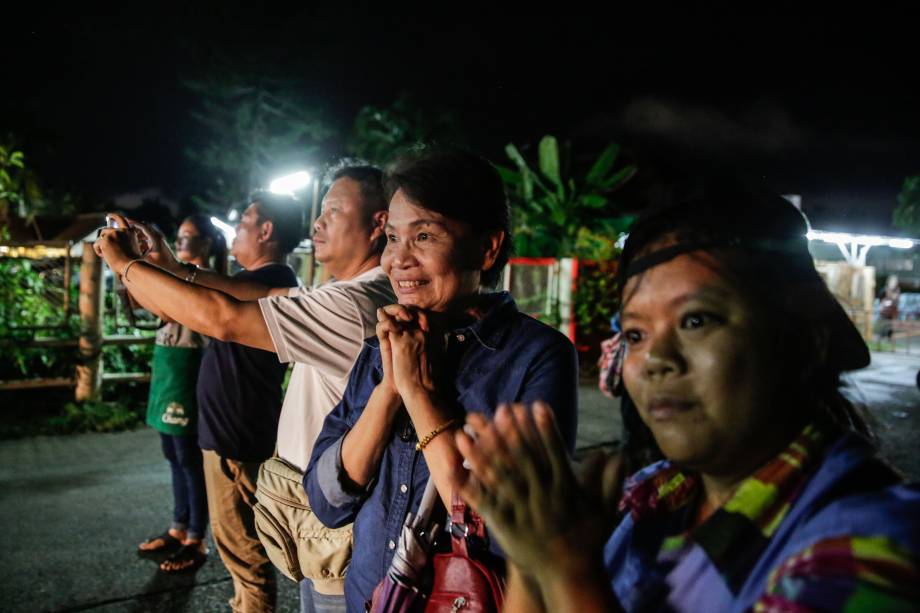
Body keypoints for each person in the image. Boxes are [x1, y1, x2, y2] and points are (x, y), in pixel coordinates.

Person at [454, 176, 920, 612]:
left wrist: (567, 570)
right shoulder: (654, 495)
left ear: (804, 338)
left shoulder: (872, 550)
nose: (657, 359)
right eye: (636, 335)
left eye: (696, 320)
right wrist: (529, 553)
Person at [96, 164, 394, 612]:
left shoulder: (356, 305)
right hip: (324, 518)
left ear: (379, 224)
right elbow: (252, 297)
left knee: (255, 565)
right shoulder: (346, 294)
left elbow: (225, 317)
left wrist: (125, 265)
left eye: (333, 210)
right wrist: (174, 268)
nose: (317, 223)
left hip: (336, 528)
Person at [303, 148, 580, 611]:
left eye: (425, 235)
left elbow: (508, 526)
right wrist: (390, 388)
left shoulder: (537, 356)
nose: (398, 259)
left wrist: (417, 391)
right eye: (392, 237)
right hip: (370, 600)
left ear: (488, 248)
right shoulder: (386, 343)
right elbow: (327, 501)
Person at [97, 193, 301, 613]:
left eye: (244, 220)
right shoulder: (247, 281)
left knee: (245, 553)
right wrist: (141, 264)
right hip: (227, 432)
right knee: (236, 549)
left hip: (238, 437)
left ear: (266, 231)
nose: (235, 228)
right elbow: (169, 305)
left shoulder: (269, 280)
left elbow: (210, 303)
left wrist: (131, 265)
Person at [137, 214, 227, 572]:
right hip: (168, 368)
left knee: (190, 459)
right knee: (173, 454)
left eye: (190, 237)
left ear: (207, 242)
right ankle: (177, 527)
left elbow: (168, 309)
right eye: (179, 237)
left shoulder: (206, 281)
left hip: (191, 367)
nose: (182, 242)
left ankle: (195, 537)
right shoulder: (174, 274)